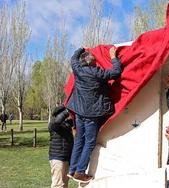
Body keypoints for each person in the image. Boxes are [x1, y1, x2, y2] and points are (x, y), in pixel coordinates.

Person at [66, 46, 122, 183]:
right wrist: (114, 57)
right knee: (89, 142)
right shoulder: (97, 73)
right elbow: (116, 72)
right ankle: (79, 172)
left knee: (79, 139)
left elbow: (73, 58)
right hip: (91, 114)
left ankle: (72, 169)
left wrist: (81, 48)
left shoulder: (77, 70)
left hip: (79, 111)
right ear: (92, 63)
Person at [49, 105, 74, 188]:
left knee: (65, 183)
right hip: (57, 158)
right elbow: (57, 122)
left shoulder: (66, 125)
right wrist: (67, 111)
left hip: (66, 158)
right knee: (58, 184)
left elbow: (75, 120)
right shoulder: (53, 124)